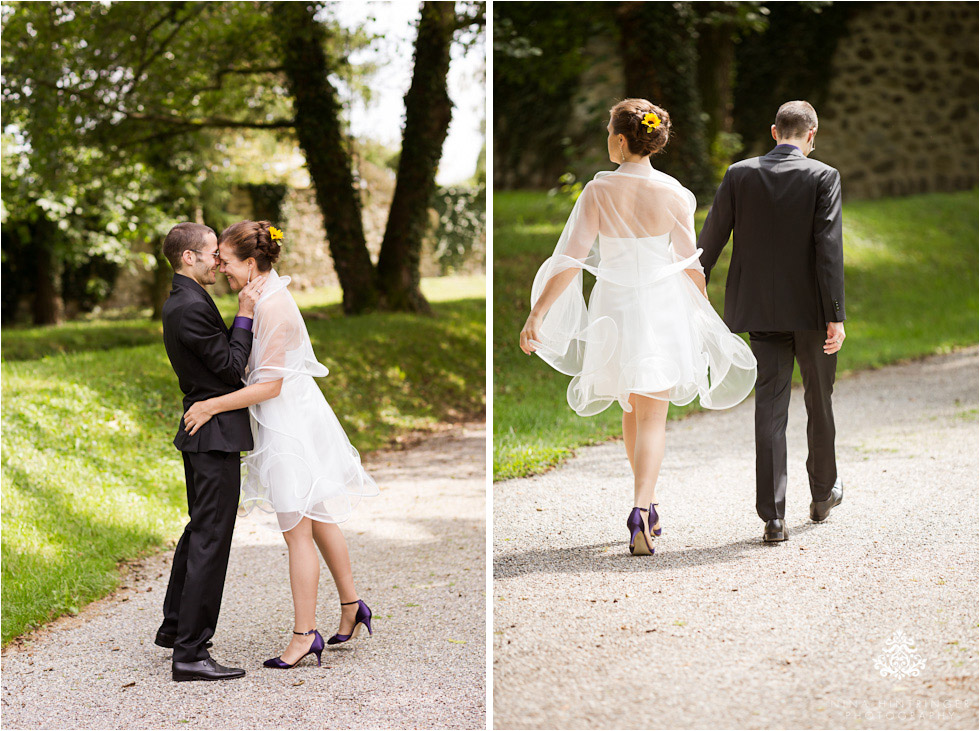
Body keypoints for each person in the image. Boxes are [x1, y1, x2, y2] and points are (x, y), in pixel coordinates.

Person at [520, 99, 757, 556]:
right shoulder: (674, 194)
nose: (607, 138)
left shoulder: (598, 192)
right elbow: (691, 265)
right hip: (663, 307)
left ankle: (644, 506)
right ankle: (642, 508)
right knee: (651, 416)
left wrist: (538, 314)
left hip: (615, 309)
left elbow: (570, 260)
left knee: (630, 408)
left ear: (623, 139)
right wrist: (703, 313)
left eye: (610, 131)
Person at [182, 220, 378, 669]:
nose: (220, 268)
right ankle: (352, 605)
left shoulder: (271, 306)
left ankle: (303, 635)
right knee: (320, 515)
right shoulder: (262, 295)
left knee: (297, 531)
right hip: (298, 414)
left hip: (288, 423)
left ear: (250, 264)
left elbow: (268, 386)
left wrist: (211, 406)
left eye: (226, 262)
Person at [697, 100, 846, 544]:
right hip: (812, 314)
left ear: (774, 132)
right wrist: (835, 315)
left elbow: (712, 236)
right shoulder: (824, 176)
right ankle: (822, 495)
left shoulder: (739, 174)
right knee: (819, 400)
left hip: (760, 311)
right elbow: (828, 249)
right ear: (812, 135)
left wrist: (696, 286)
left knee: (770, 407)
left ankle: (773, 517)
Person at [157, 221, 266, 682]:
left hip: (208, 431)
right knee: (210, 540)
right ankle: (192, 653)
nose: (218, 261)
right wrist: (244, 313)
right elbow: (229, 368)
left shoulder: (190, 300)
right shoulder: (188, 307)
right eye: (211, 254)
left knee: (200, 530)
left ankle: (176, 628)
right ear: (189, 257)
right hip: (213, 434)